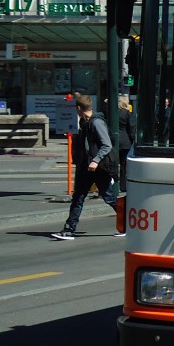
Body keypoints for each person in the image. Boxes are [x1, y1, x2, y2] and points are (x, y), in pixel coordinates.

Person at [52, 94, 118, 240]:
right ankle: (69, 229)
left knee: (109, 197)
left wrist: (95, 160)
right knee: (78, 198)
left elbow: (106, 145)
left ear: (79, 108)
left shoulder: (96, 123)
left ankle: (127, 223)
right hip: (86, 167)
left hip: (97, 168)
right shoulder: (84, 121)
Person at [117, 94, 135, 195]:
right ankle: (123, 186)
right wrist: (133, 140)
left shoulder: (112, 113)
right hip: (125, 142)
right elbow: (131, 127)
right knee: (124, 166)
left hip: (114, 141)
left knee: (113, 164)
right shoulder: (127, 113)